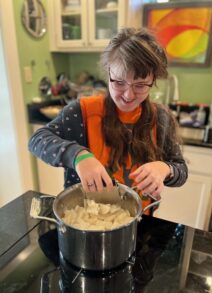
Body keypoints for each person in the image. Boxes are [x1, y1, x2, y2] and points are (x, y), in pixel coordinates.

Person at [28, 27, 188, 212]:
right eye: (119, 82)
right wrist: (78, 156)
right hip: (84, 219)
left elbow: (180, 170)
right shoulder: (82, 111)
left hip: (140, 220)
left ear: (153, 81)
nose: (128, 95)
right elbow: (37, 139)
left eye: (141, 85)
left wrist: (164, 168)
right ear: (108, 72)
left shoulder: (161, 118)